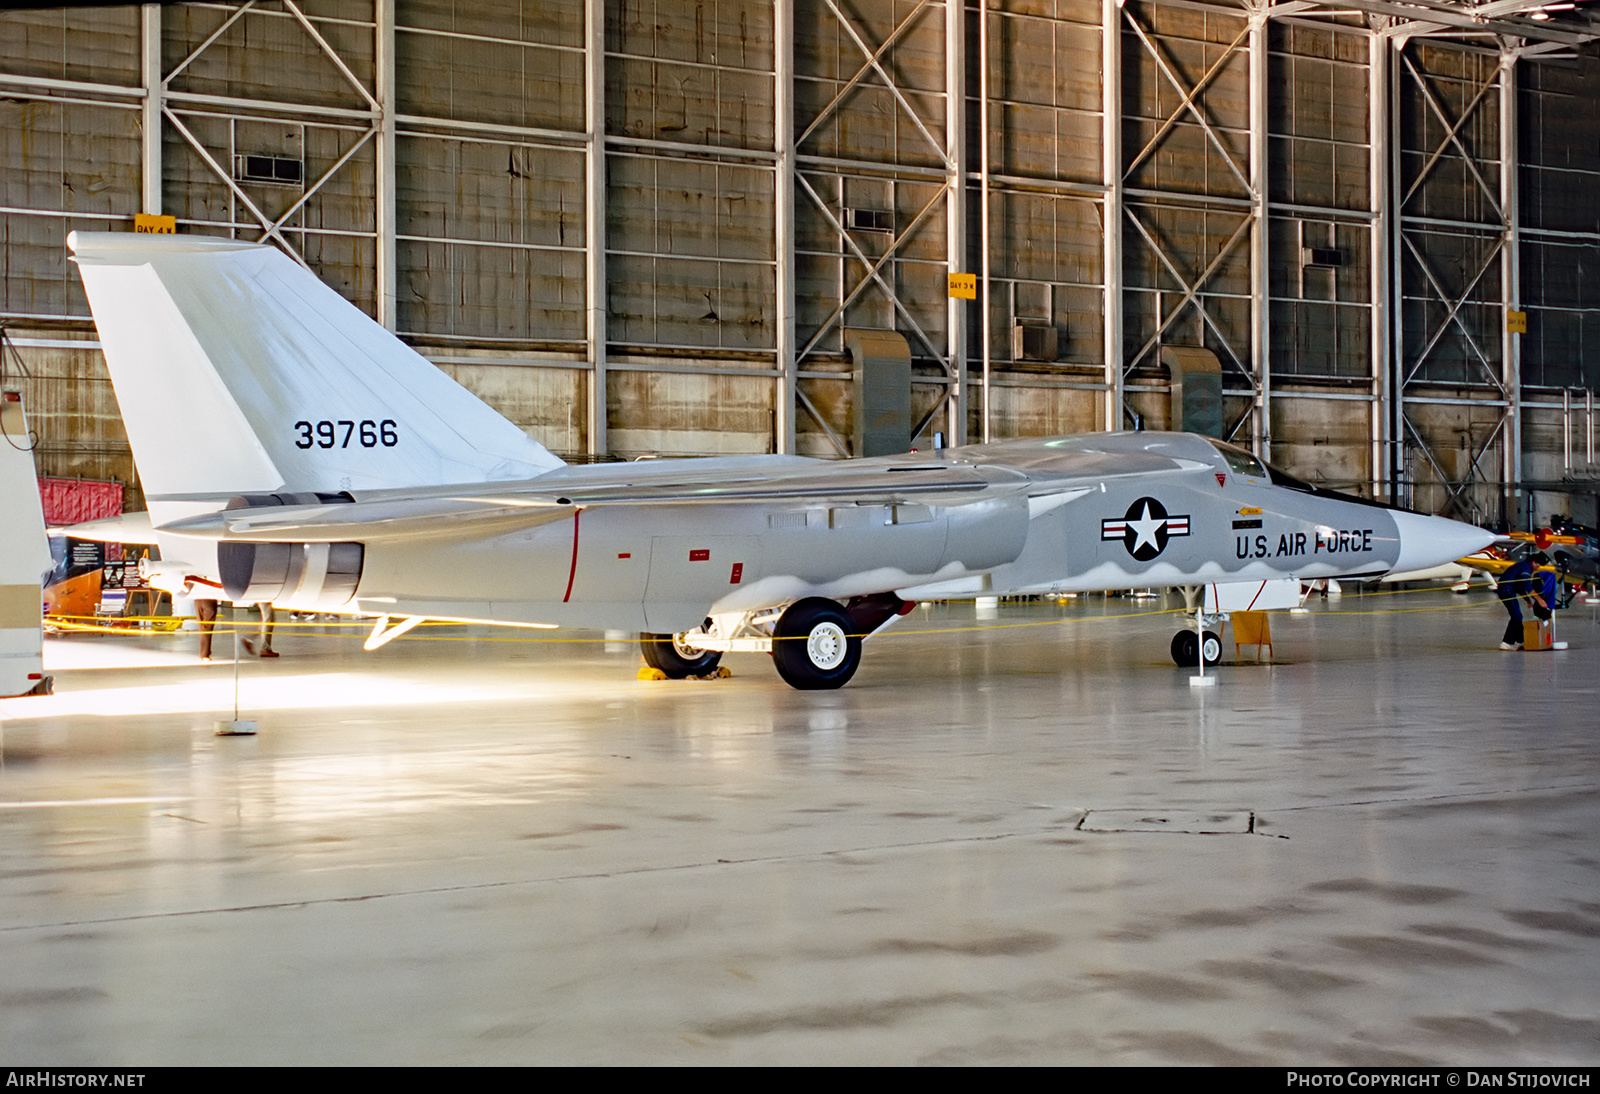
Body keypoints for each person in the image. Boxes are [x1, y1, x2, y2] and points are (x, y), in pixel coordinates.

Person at [1496, 551, 1555, 650]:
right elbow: (1526, 585)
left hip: (1507, 589)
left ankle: (1522, 641)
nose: (1538, 567)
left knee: (1518, 616)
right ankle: (1506, 642)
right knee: (1517, 616)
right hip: (1506, 589)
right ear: (1533, 561)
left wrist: (1528, 600)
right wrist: (1539, 600)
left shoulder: (1524, 566)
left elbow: (1520, 587)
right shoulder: (1525, 567)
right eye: (1537, 564)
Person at [195, 597, 218, 661]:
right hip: (209, 599)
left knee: (201, 626)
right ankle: (205, 654)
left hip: (197, 600)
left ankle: (204, 652)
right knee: (207, 627)